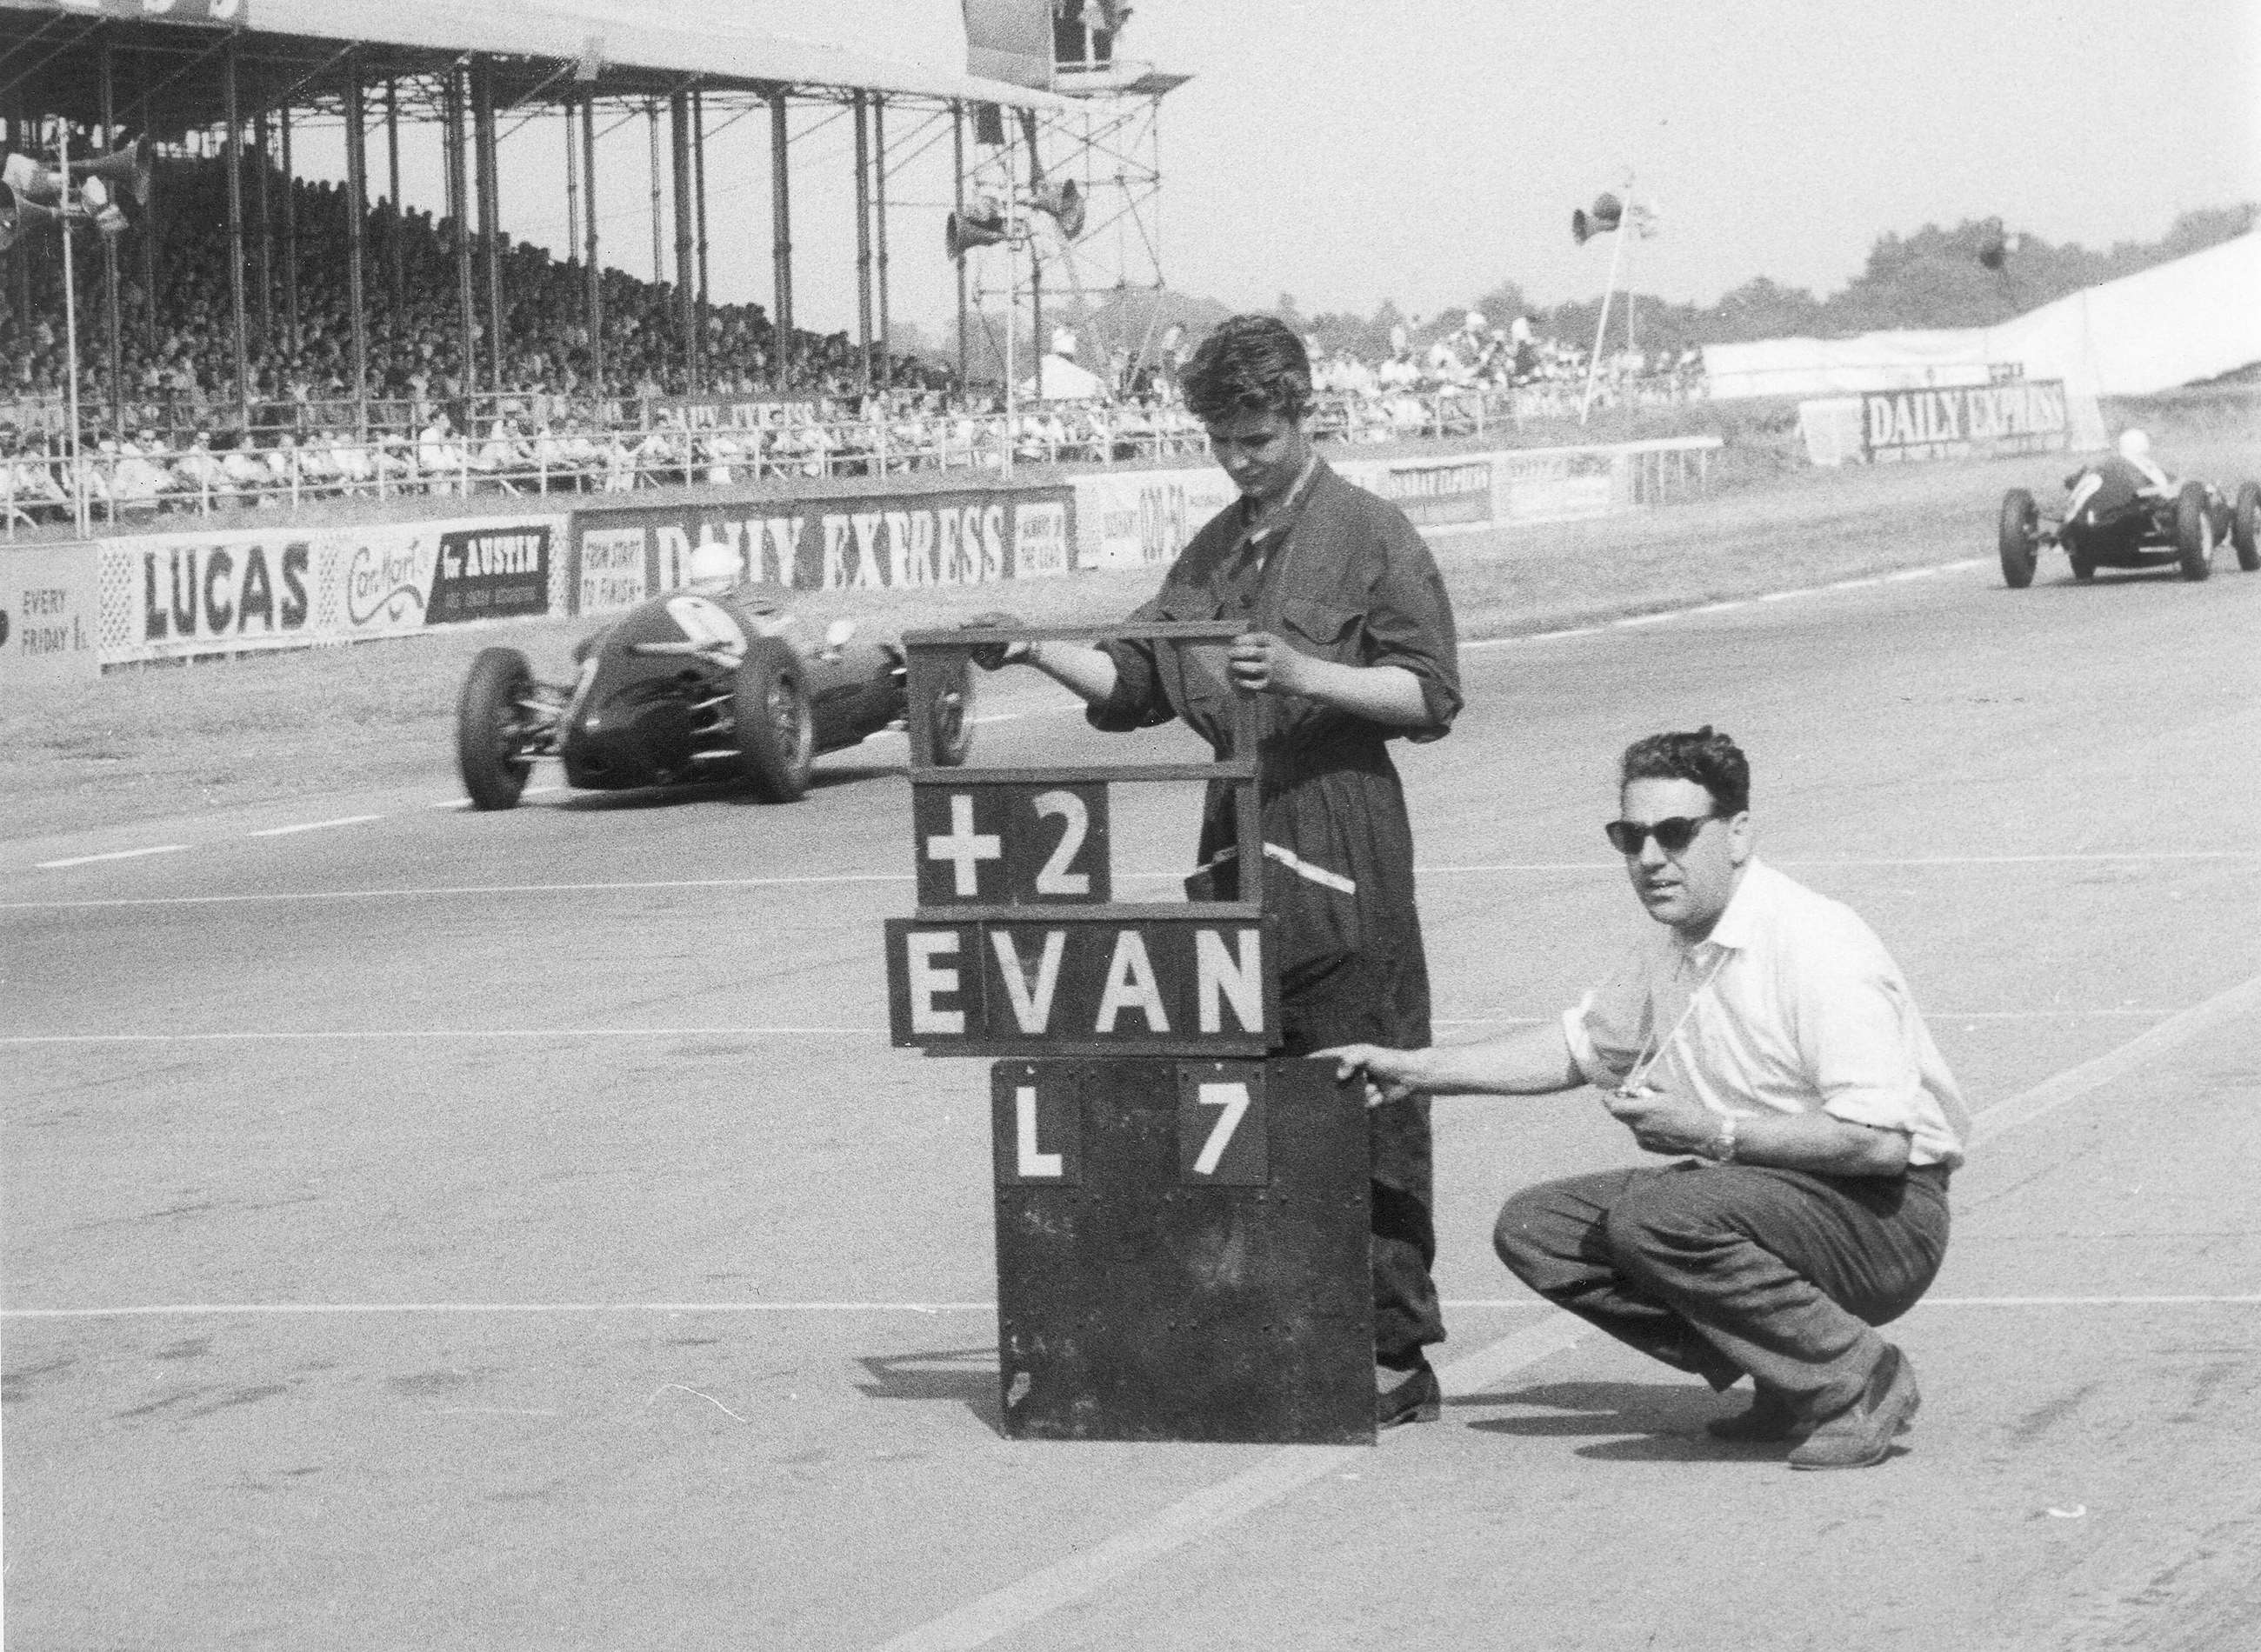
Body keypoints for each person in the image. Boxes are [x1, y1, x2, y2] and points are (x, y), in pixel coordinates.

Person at [965, 313, 1464, 1429]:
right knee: (1243, 1077)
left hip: (1338, 824)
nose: (1240, 460)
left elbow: (1430, 695)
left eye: (1257, 438)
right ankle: (1281, 1315)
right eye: (1223, 441)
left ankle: (1393, 1348)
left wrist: (1303, 669)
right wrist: (1035, 647)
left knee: (1363, 1078)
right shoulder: (1216, 547)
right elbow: (1135, 681)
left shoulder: (1368, 533)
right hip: (1230, 832)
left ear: (1298, 415)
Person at [1323, 728, 1970, 1469]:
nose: (1650, 859)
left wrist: (1710, 1131)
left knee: (1658, 1217)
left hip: (1886, 1215)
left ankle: (1856, 1379)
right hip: (1777, 1196)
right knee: (1541, 1228)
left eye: (1674, 834)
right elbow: (1584, 1047)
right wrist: (1418, 1069)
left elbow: (1878, 1142)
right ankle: (1789, 1374)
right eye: (1630, 837)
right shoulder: (1677, 940)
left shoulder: (1816, 944)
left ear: (1736, 834)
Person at [2061, 428, 2177, 568]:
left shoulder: (2100, 464)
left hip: (2084, 520)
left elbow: (2071, 482)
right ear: (2144, 446)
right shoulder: (2147, 465)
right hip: (2124, 517)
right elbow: (2169, 488)